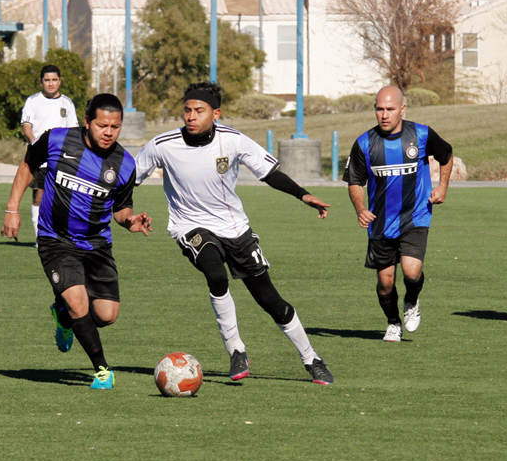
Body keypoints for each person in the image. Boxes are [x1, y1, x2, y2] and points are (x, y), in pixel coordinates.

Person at [135, 82, 334, 385]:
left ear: (216, 113)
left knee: (271, 300)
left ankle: (311, 358)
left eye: (199, 110)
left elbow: (268, 173)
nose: (191, 116)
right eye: (187, 110)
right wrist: (122, 212)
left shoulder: (234, 140)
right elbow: (127, 180)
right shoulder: (162, 145)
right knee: (215, 273)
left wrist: (303, 195)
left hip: (235, 229)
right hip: (190, 226)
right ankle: (236, 350)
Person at [1, 94, 152, 389]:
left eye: (115, 127)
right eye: (102, 125)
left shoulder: (124, 163)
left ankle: (64, 317)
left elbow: (122, 208)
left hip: (97, 244)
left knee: (107, 316)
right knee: (77, 300)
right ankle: (102, 371)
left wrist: (130, 221)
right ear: (86, 122)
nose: (108, 132)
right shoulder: (56, 139)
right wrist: (12, 209)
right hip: (55, 239)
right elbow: (27, 166)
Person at [344, 85, 453, 342]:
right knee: (385, 282)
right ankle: (393, 322)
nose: (384, 114)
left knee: (412, 271)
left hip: (415, 216)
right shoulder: (363, 143)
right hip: (380, 222)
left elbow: (446, 155)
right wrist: (361, 209)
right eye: (380, 109)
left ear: (402, 109)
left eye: (390, 109)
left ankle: (412, 300)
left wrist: (443, 186)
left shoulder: (421, 134)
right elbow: (354, 182)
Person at [20, 65, 79, 243]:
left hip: (61, 158)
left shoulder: (67, 103)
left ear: (60, 81)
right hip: (40, 158)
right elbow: (26, 125)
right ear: (41, 81)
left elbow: (73, 130)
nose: (51, 83)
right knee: (39, 195)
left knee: (62, 198)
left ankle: (60, 236)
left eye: (54, 80)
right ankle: (40, 238)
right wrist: (36, 143)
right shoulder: (33, 101)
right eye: (47, 80)